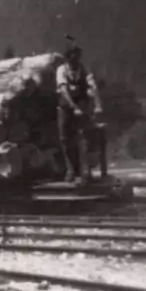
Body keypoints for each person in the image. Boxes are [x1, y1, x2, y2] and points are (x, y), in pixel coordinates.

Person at [56, 35, 104, 185]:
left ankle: (85, 171)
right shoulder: (61, 70)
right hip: (66, 107)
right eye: (73, 56)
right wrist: (73, 107)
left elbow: (92, 86)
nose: (76, 59)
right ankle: (70, 170)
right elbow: (63, 90)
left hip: (81, 106)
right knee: (65, 138)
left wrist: (98, 104)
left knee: (84, 138)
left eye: (77, 56)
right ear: (68, 58)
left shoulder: (83, 69)